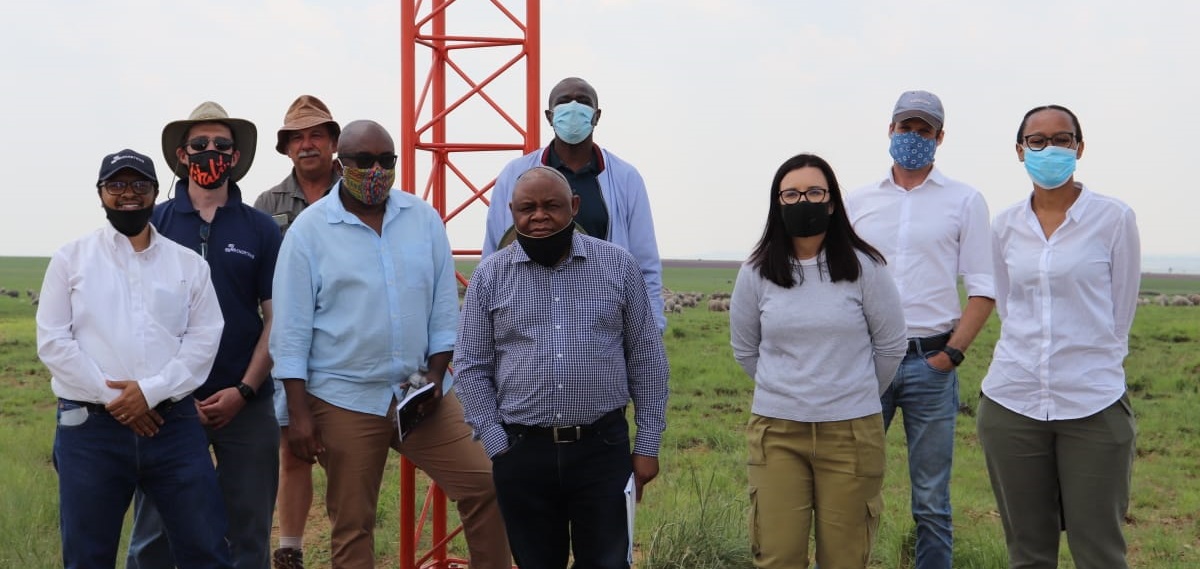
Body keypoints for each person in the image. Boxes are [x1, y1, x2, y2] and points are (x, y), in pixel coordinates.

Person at [269, 120, 511, 569]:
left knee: (488, 483)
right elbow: (292, 332)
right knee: (353, 525)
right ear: (342, 164)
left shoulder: (422, 219)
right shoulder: (310, 231)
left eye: (386, 161)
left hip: (418, 391)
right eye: (364, 161)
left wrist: (434, 379)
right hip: (344, 396)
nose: (376, 170)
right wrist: (298, 414)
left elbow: (443, 313)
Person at [455, 166, 670, 569]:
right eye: (527, 208)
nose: (538, 216)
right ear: (512, 212)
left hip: (602, 450)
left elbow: (647, 359)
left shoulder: (618, 267)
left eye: (551, 206)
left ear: (573, 207)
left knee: (607, 563)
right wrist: (498, 445)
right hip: (521, 451)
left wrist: (647, 445)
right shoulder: (489, 276)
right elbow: (470, 366)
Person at [37, 149, 232, 568]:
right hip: (90, 430)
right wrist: (118, 401)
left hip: (173, 426)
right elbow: (53, 342)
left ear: (156, 193)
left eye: (139, 185)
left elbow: (204, 339)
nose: (128, 194)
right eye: (117, 185)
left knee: (206, 550)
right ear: (101, 193)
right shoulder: (70, 259)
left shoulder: (188, 264)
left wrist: (150, 392)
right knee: (88, 556)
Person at [978, 105, 1139, 569]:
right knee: (1027, 552)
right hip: (1013, 401)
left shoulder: (1113, 219)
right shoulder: (1005, 226)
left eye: (1062, 139)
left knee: (1100, 552)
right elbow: (1009, 309)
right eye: (1038, 140)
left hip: (1093, 403)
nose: (1050, 149)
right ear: (1020, 150)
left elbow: (1120, 313)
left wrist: (1096, 367)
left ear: (1080, 148)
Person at [730, 153, 906, 568]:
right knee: (778, 555)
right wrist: (788, 388)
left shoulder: (866, 267)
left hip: (851, 434)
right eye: (790, 194)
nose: (802, 201)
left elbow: (890, 346)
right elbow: (745, 349)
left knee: (845, 559)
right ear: (777, 203)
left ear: (831, 202)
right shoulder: (756, 271)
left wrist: (849, 391)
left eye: (813, 192)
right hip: (778, 433)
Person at [127, 101, 283, 569]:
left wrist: (244, 389)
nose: (210, 152)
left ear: (235, 158)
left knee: (249, 533)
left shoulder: (260, 228)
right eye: (200, 145)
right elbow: (131, 315)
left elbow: (277, 318)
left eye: (221, 145)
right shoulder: (152, 223)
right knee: (154, 536)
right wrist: (163, 391)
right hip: (167, 408)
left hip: (246, 405)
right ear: (181, 154)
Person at [845, 90, 995, 569]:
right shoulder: (858, 201)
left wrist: (950, 355)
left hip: (933, 363)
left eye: (924, 130)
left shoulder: (965, 201)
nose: (913, 138)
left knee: (931, 500)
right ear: (889, 131)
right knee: (852, 488)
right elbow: (841, 279)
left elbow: (984, 288)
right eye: (905, 128)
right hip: (869, 364)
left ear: (940, 138)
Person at [482, 76, 666, 331]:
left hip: (603, 321)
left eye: (583, 102)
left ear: (596, 115)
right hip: (529, 319)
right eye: (564, 102)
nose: (573, 108)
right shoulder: (515, 174)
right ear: (549, 116)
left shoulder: (626, 178)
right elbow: (494, 252)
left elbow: (645, 264)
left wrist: (652, 327)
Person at [253, 94, 341, 569]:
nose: (307, 145)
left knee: (346, 455)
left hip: (346, 341)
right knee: (292, 448)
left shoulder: (361, 193)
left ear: (333, 142)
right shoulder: (267, 205)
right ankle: (290, 548)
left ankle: (350, 540)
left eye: (316, 135)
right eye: (298, 137)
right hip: (289, 342)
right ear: (286, 147)